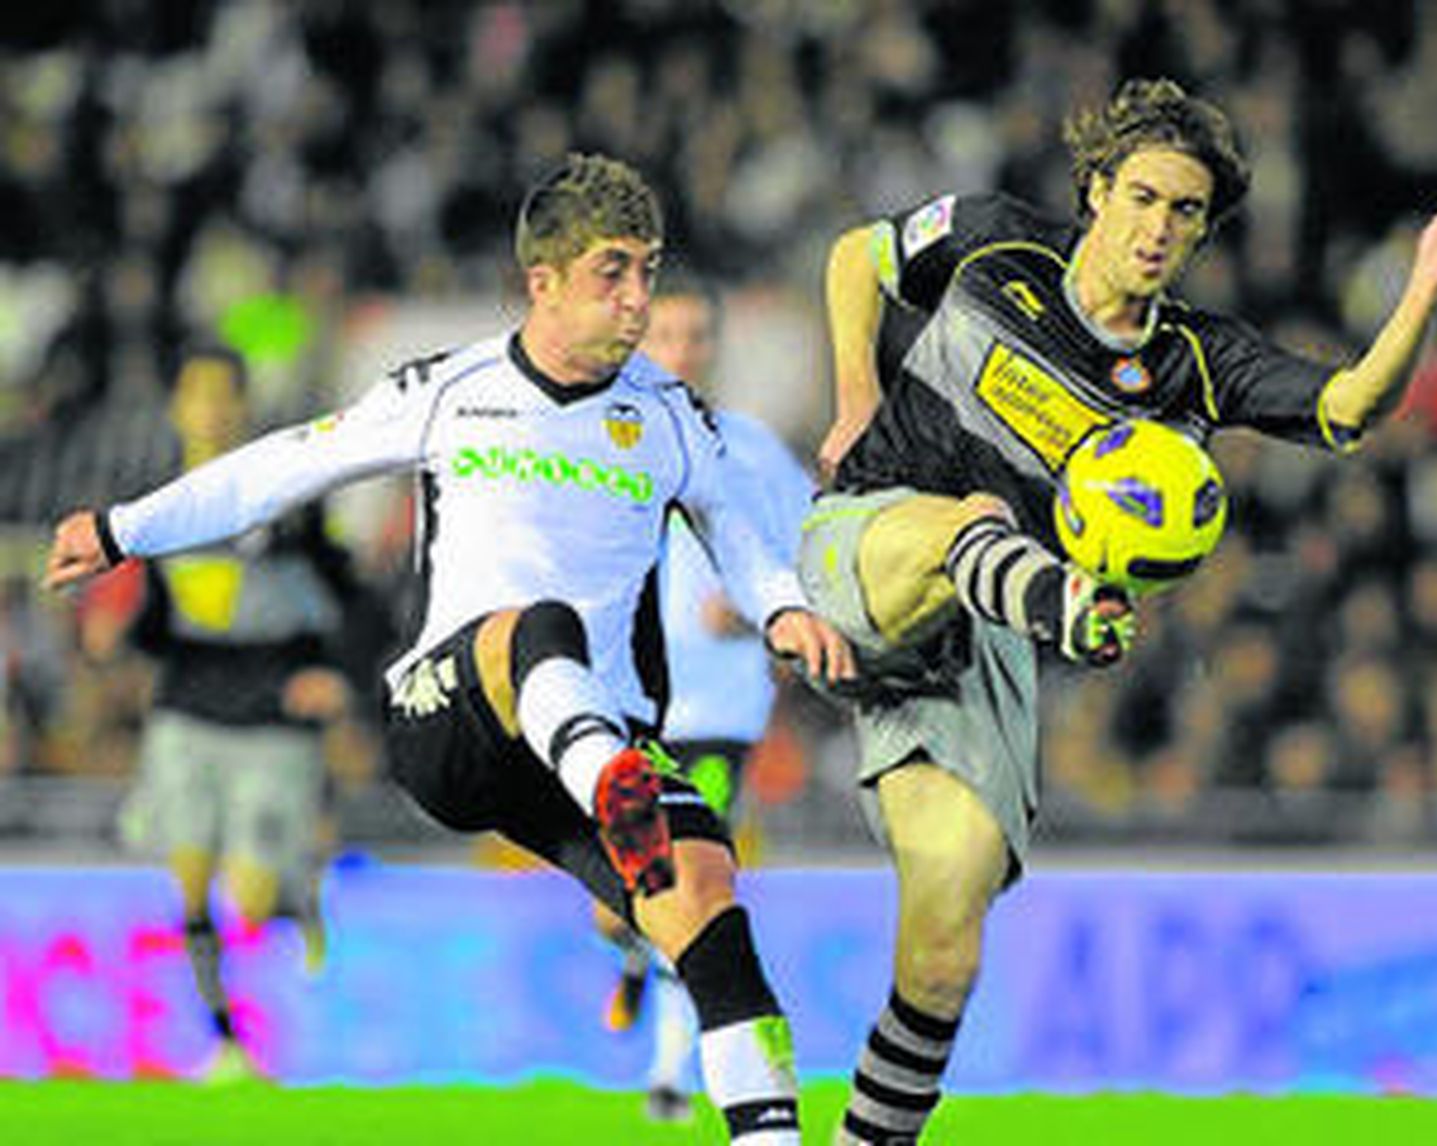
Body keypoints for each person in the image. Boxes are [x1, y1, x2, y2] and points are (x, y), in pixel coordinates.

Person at [45, 153, 855, 1143]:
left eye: (648, 270)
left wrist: (779, 611)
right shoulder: (448, 389)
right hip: (451, 720)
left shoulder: (669, 414)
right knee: (533, 628)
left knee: (709, 904)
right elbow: (282, 470)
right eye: (613, 272)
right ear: (543, 280)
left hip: (587, 743)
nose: (639, 300)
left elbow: (739, 533)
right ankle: (612, 782)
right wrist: (125, 527)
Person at [800, 77, 1437, 1143]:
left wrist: (1423, 284)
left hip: (979, 646)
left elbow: (1345, 410)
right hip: (874, 535)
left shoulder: (1191, 361)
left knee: (945, 949)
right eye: (1142, 197)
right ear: (1096, 189)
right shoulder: (996, 246)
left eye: (1185, 213)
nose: (1159, 228)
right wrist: (856, 392)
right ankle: (1053, 593)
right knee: (965, 524)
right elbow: (858, 253)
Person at [79, 345, 375, 1082]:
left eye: (223, 396)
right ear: (179, 406)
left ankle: (295, 890)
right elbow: (151, 615)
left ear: (241, 408)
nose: (210, 409)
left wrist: (335, 673)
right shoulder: (148, 505)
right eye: (198, 395)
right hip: (186, 708)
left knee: (247, 901)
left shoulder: (283, 496)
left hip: (273, 714)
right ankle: (225, 1039)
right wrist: (117, 636)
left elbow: (356, 601)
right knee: (186, 880)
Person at [591, 267, 817, 1122]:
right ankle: (623, 949)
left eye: (696, 337)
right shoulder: (596, 439)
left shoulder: (750, 448)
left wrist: (764, 605)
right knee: (629, 898)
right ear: (640, 340)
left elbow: (812, 555)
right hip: (616, 707)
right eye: (666, 337)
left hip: (719, 713)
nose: (682, 353)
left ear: (715, 347)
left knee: (696, 883)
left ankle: (670, 1077)